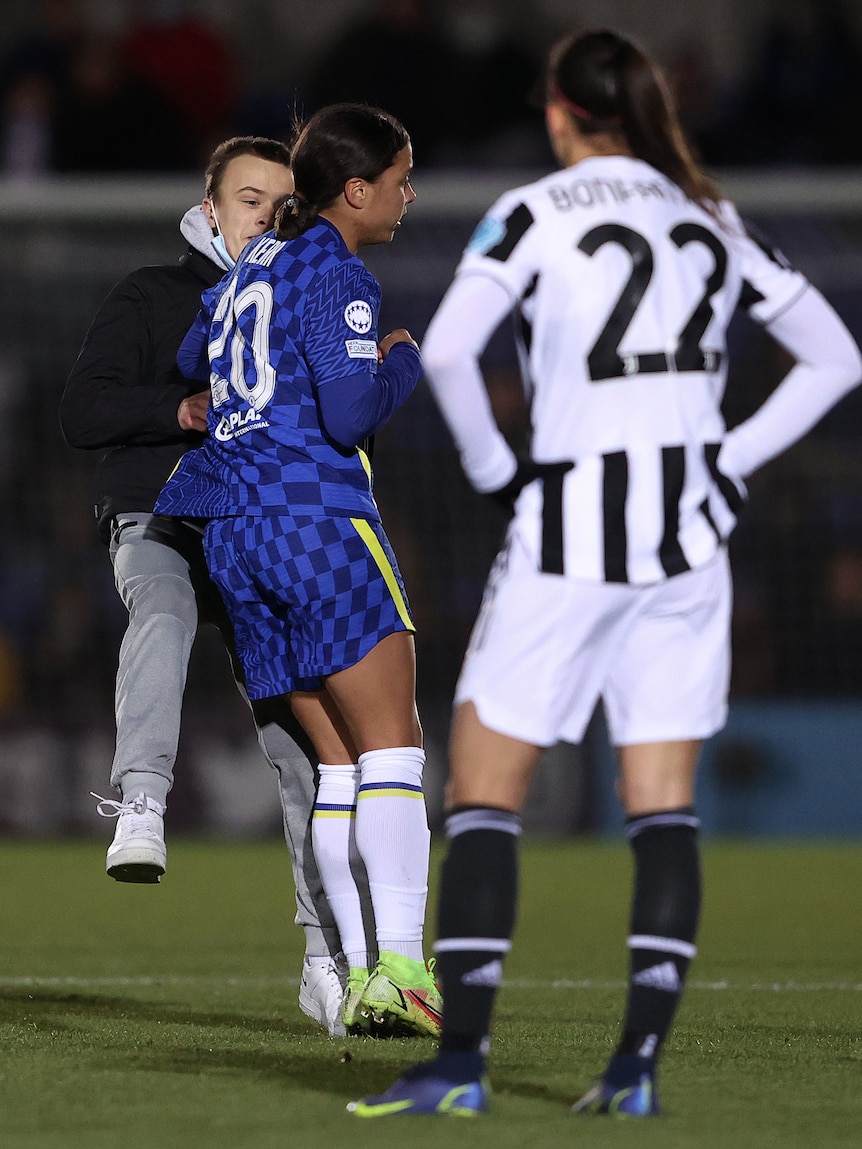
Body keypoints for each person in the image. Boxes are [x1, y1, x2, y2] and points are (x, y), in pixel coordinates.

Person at [348, 28, 862, 1116]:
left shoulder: (534, 212)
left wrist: (500, 476)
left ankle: (460, 1068)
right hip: (689, 540)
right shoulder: (709, 213)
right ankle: (632, 1075)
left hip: (571, 530)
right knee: (661, 806)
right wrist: (731, 456)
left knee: (484, 792)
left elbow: (445, 349)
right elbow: (838, 357)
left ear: (556, 114)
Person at [154, 103, 442, 1039]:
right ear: (355, 191)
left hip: (235, 536)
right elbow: (353, 413)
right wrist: (403, 362)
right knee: (393, 750)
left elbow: (195, 355)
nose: (408, 194)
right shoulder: (338, 274)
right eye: (400, 178)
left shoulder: (251, 271)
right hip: (317, 525)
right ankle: (403, 970)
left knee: (338, 765)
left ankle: (360, 978)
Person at [59, 135, 349, 1037]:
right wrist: (177, 408)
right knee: (165, 606)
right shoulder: (151, 294)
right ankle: (141, 802)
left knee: (300, 743)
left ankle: (325, 959)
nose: (266, 213)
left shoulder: (304, 301)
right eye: (250, 197)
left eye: (280, 201)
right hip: (159, 514)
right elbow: (82, 411)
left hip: (259, 531)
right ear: (211, 205)